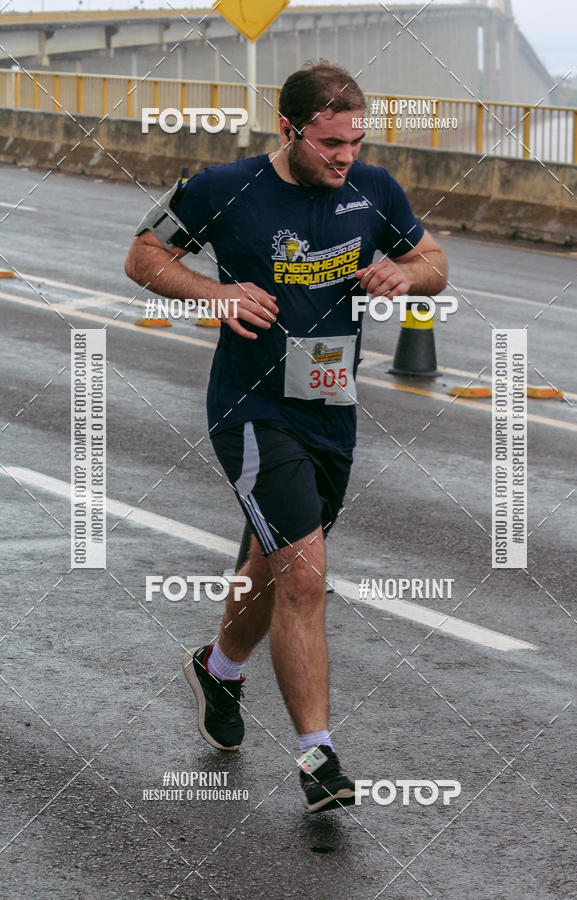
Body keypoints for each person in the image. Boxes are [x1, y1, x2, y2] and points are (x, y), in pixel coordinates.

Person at [125, 61, 448, 813]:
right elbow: (144, 255)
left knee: (272, 564)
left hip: (332, 411)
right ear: (289, 129)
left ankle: (219, 669)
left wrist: (407, 278)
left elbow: (432, 259)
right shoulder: (221, 187)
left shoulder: (375, 190)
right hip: (251, 408)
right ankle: (318, 758)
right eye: (331, 144)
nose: (345, 158)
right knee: (303, 574)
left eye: (355, 144)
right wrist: (215, 294)